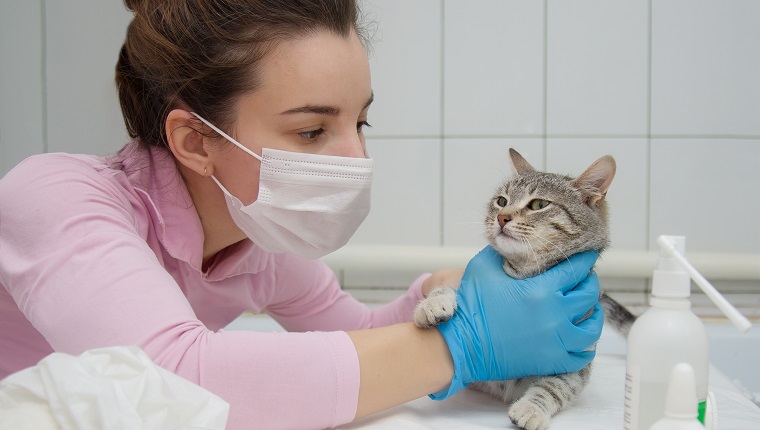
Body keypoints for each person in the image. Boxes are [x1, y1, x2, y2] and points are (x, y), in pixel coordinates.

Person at [0, 1, 604, 428]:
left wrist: (451, 292)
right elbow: (172, 381)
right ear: (195, 142)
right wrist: (463, 346)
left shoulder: (255, 245)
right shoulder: (53, 198)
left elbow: (360, 336)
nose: (356, 157)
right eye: (313, 129)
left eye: (359, 122)